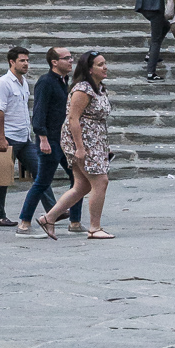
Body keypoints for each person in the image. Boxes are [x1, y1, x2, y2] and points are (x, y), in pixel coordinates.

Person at [41, 50, 115, 239]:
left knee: (82, 186)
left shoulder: (99, 87)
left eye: (104, 63)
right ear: (90, 69)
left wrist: (104, 145)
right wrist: (80, 148)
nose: (105, 67)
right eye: (100, 64)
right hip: (82, 141)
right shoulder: (83, 89)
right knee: (100, 181)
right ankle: (94, 227)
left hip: (95, 140)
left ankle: (49, 218)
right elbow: (73, 119)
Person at [17, 46, 83, 236]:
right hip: (50, 140)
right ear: (54, 62)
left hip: (64, 140)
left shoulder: (64, 81)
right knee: (43, 181)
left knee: (77, 179)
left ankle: (75, 222)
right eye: (67, 58)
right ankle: (24, 222)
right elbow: (39, 112)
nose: (71, 61)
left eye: (72, 57)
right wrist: (42, 138)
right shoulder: (45, 82)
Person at [0, 44, 41, 229]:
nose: (26, 64)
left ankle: (54, 210)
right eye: (22, 60)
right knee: (2, 179)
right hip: (6, 136)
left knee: (40, 171)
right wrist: (2, 138)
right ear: (12, 62)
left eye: (27, 60)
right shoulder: (3, 83)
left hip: (23, 136)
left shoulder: (23, 82)